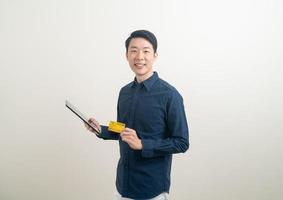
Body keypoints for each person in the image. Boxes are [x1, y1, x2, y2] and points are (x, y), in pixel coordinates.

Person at [86, 30, 189, 200]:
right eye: (133, 50)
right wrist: (100, 129)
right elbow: (122, 129)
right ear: (126, 55)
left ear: (155, 56)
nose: (139, 56)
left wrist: (143, 144)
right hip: (122, 187)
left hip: (151, 190)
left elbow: (182, 142)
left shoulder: (170, 95)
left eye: (146, 51)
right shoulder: (124, 92)